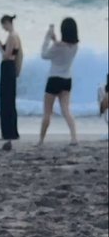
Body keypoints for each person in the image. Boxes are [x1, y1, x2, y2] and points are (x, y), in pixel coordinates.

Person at [39, 17, 79, 146]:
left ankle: (41, 140)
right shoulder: (75, 47)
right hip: (67, 80)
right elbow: (62, 49)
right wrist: (54, 40)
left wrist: (47, 37)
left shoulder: (57, 47)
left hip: (54, 79)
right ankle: (74, 137)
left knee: (47, 113)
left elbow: (44, 54)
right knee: (66, 110)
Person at [0, 14, 23, 151]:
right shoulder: (16, 36)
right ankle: (12, 132)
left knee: (6, 100)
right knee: (10, 100)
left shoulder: (11, 36)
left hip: (7, 66)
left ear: (7, 23)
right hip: (11, 67)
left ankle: (8, 132)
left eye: (3, 24)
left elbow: (6, 54)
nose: (3, 27)